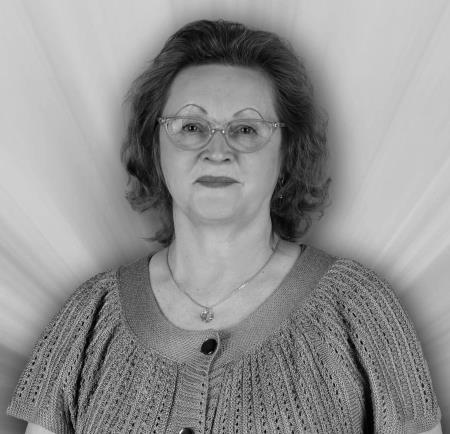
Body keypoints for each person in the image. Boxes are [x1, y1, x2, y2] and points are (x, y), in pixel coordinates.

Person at [6, 19, 442, 434]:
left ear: (287, 151)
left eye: (246, 129)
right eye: (191, 127)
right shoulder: (89, 316)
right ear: (154, 146)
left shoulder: (360, 309)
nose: (217, 151)